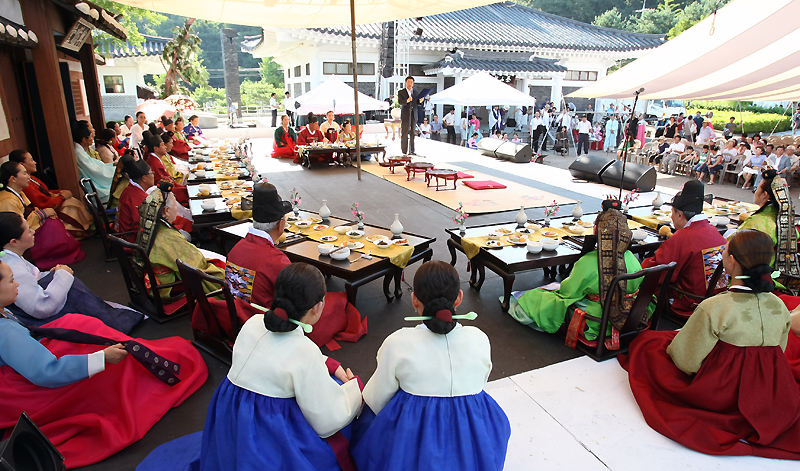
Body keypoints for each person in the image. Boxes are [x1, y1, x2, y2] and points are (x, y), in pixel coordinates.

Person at [139, 262, 362, 471]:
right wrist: (353, 389)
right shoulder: (305, 351)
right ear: (318, 306)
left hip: (230, 414)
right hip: (268, 428)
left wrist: (325, 364)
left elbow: (279, 355)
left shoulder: (254, 323)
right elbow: (327, 419)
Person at [0, 258, 208, 469]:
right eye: (10, 281)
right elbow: (46, 372)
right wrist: (101, 358)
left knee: (86, 328)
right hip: (35, 383)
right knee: (111, 360)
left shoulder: (4, 315)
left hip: (33, 364)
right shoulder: (5, 331)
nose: (17, 284)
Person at [620, 229, 800, 460]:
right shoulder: (778, 305)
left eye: (725, 250)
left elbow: (687, 360)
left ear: (732, 261)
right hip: (766, 389)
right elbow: (778, 352)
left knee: (649, 344)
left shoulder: (716, 306)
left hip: (721, 389)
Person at [352, 261, 511, 471]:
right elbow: (480, 383)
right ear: (459, 298)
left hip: (413, 438)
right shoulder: (479, 338)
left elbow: (376, 398)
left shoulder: (397, 342)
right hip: (470, 433)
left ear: (414, 299)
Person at [225, 182, 366, 347]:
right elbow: (300, 299)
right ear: (281, 224)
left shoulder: (235, 249)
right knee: (337, 302)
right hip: (267, 324)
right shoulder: (274, 259)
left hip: (239, 315)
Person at [506, 200, 645, 347]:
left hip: (596, 318)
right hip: (628, 314)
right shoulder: (631, 258)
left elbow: (569, 292)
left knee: (536, 298)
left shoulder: (589, 261)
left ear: (597, 231)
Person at [0, 211, 142, 331]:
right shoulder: (12, 266)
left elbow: (33, 279)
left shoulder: (12, 259)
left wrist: (55, 273)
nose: (33, 231)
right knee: (77, 292)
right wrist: (62, 275)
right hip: (42, 321)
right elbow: (40, 306)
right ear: (13, 242)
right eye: (28, 229)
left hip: (45, 306)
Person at [641, 181, 727, 318]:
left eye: (672, 213)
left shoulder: (683, 237)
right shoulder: (713, 231)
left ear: (680, 214)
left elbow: (659, 272)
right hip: (716, 299)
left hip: (690, 302)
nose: (671, 217)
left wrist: (642, 264)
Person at [137, 183, 225, 299]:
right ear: (166, 211)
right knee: (221, 273)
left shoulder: (151, 228)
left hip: (155, 280)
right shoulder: (168, 238)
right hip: (167, 287)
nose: (176, 210)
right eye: (175, 205)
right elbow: (197, 264)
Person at [0, 161, 84, 271]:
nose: (28, 177)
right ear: (13, 178)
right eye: (24, 173)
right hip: (20, 236)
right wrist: (44, 214)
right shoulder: (7, 200)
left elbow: (31, 209)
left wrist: (46, 213)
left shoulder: (18, 192)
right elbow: (15, 226)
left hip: (30, 225)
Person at [8, 149, 92, 239]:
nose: (35, 162)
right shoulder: (23, 187)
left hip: (42, 209)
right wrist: (62, 197)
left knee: (71, 201)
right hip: (40, 213)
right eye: (31, 160)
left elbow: (47, 192)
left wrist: (59, 192)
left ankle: (87, 227)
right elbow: (41, 203)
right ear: (21, 164)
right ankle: (81, 231)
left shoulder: (31, 178)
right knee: (71, 205)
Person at [735, 170, 800, 279]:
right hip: (778, 275)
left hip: (753, 278)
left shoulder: (757, 222)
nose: (755, 192)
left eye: (757, 189)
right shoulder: (785, 220)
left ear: (765, 194)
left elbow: (733, 246)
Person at [73, 120, 115, 202]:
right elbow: (96, 171)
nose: (92, 138)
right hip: (96, 190)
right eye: (91, 136)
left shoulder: (81, 150)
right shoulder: (78, 153)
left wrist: (113, 166)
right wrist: (114, 170)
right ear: (84, 139)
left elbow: (99, 165)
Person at [144, 133, 189, 206]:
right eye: (162, 145)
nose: (165, 147)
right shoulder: (154, 163)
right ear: (155, 148)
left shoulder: (155, 159)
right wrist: (184, 190)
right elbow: (165, 185)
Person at [115, 155, 155, 238]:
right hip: (131, 239)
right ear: (144, 178)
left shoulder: (131, 189)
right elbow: (141, 227)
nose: (153, 175)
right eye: (152, 173)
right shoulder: (136, 197)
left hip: (126, 233)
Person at [398, 76, 423, 156]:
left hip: (413, 114)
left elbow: (417, 104)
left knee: (413, 133)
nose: (410, 84)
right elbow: (400, 102)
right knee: (405, 132)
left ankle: (412, 150)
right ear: (406, 82)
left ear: (413, 83)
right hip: (405, 114)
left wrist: (420, 101)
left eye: (411, 82)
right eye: (408, 82)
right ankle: (404, 151)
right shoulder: (401, 92)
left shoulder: (416, 92)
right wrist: (407, 101)